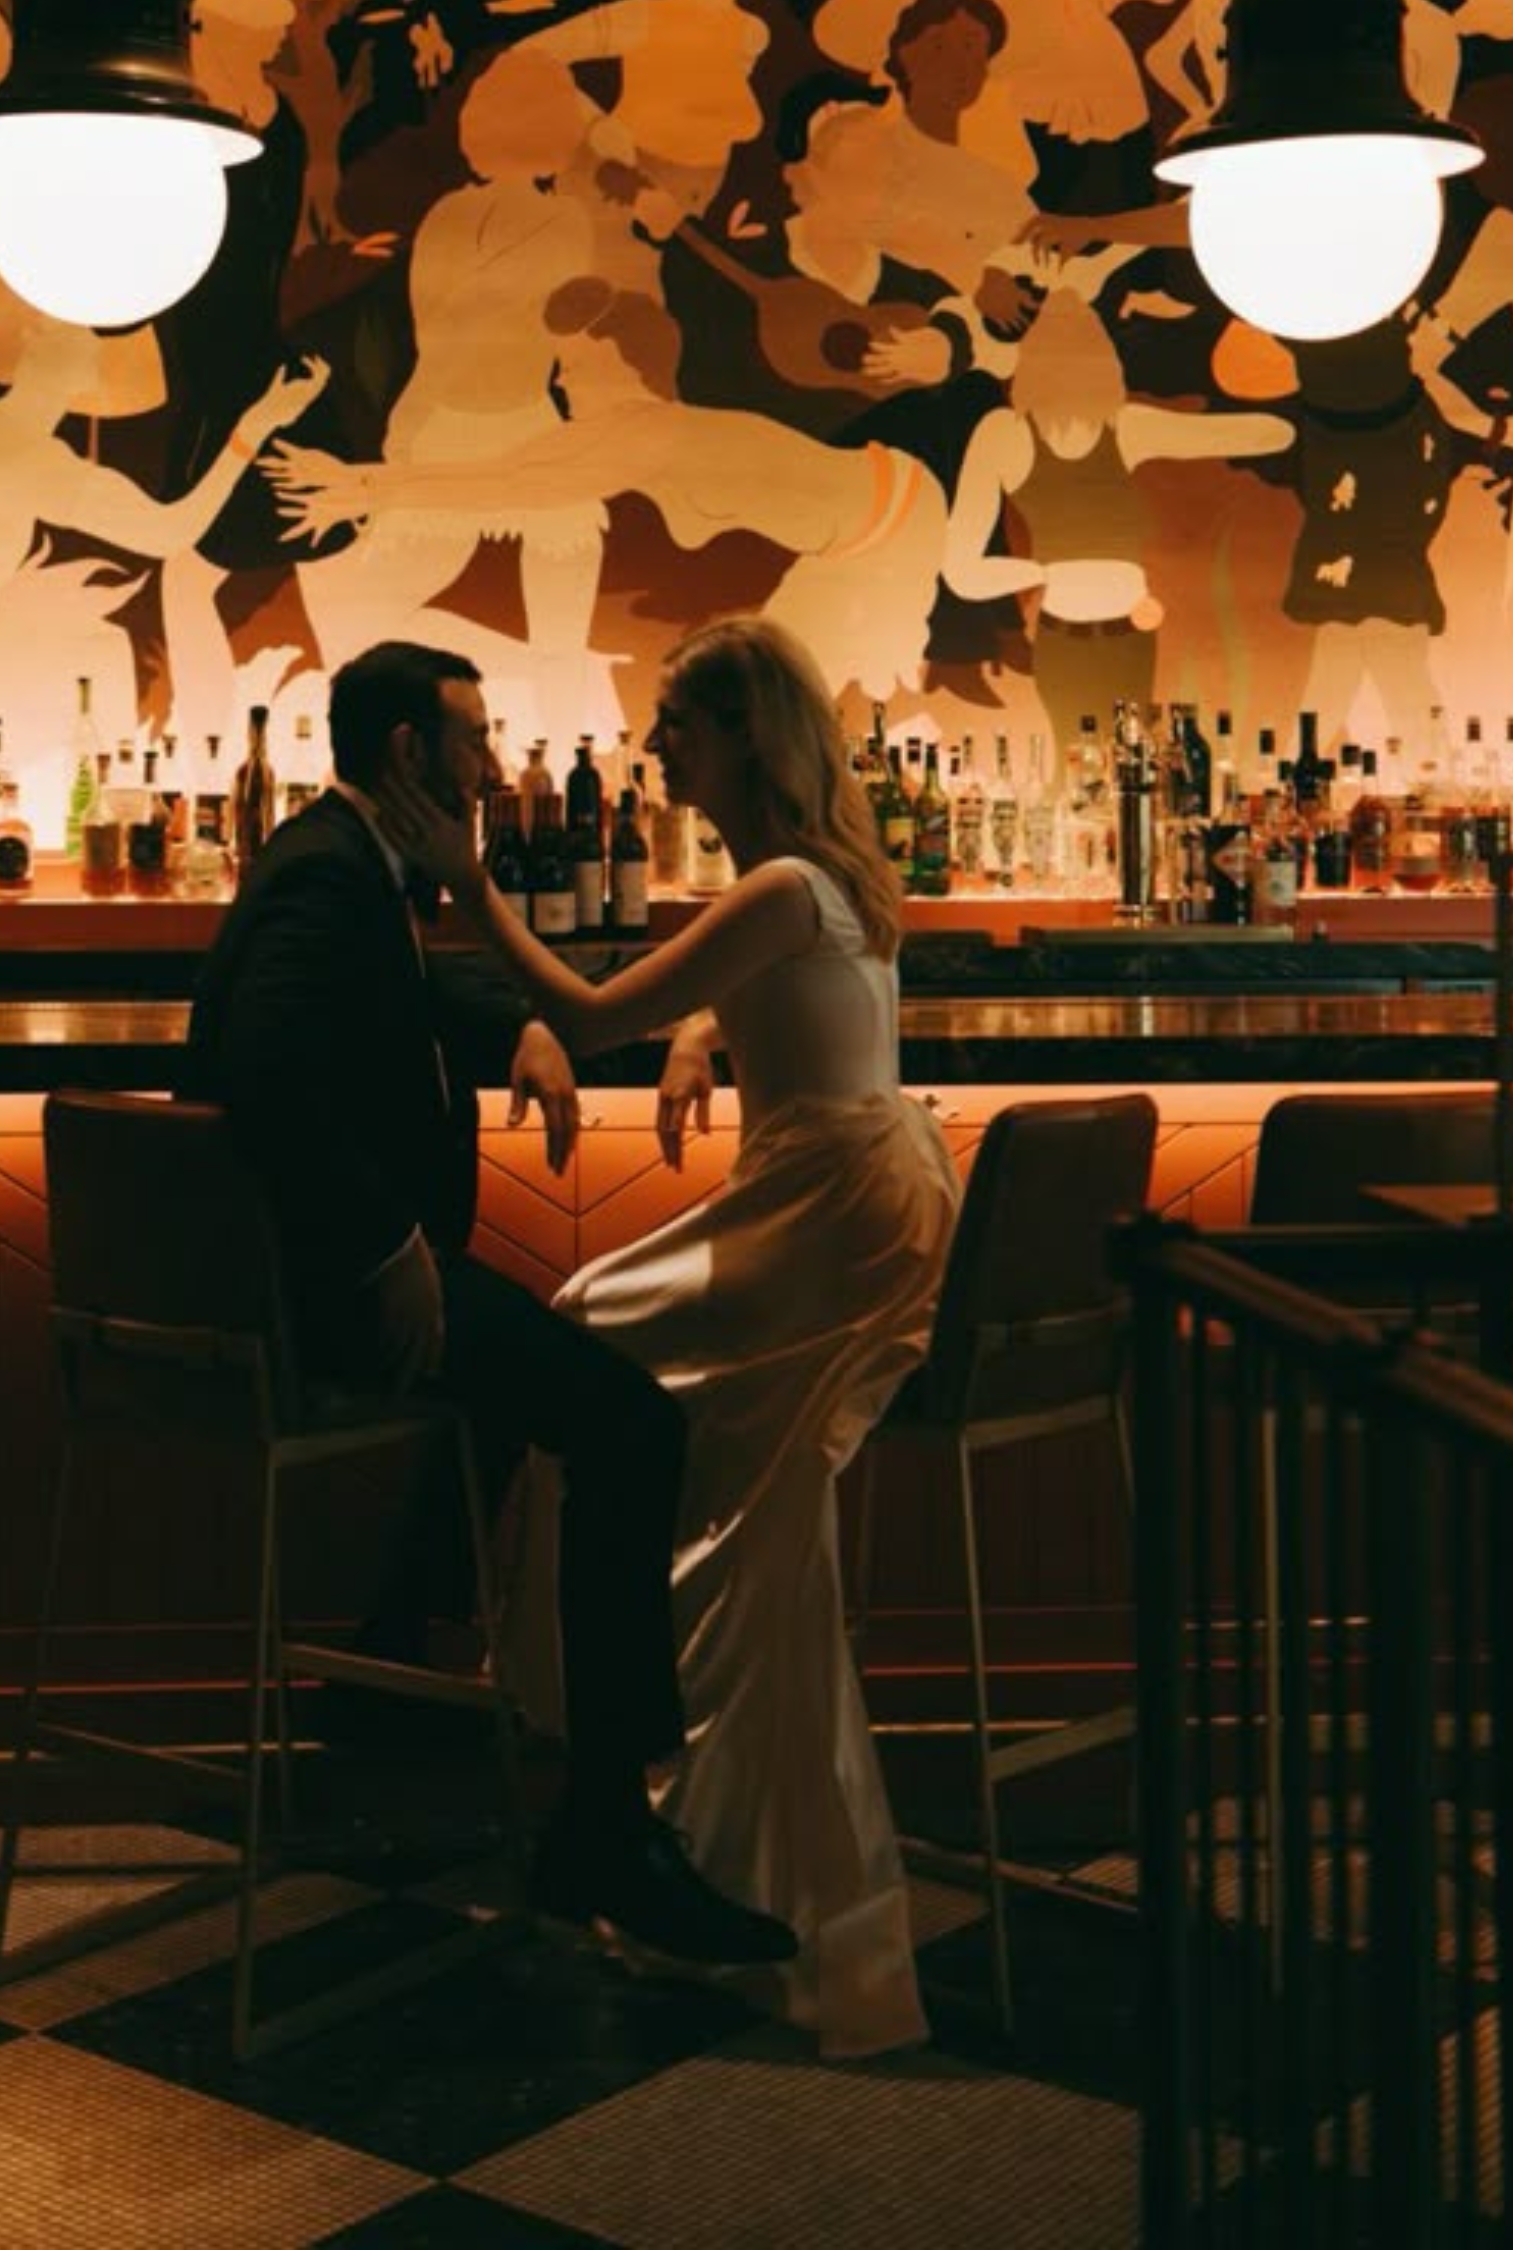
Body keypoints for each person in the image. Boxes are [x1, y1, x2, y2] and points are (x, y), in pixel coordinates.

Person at [372, 616, 962, 2058]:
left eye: (675, 730)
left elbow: (582, 1010)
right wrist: (715, 1032)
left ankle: (516, 1685)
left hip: (820, 1207)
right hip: (863, 1184)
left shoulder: (772, 881)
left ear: (741, 739)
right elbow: (803, 995)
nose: (652, 752)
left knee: (580, 1334)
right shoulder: (820, 877)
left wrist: (465, 886)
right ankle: (638, 1787)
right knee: (736, 1508)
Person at [181, 639, 797, 1970]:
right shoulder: (326, 880)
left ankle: (390, 1666)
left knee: (534, 1378)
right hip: (333, 1297)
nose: (495, 766)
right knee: (631, 1424)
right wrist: (384, 1244)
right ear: (408, 753)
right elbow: (260, 1061)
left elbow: (376, 1004)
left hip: (291, 1289)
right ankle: (606, 1833)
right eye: (472, 740)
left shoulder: (332, 866)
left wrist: (496, 1021)